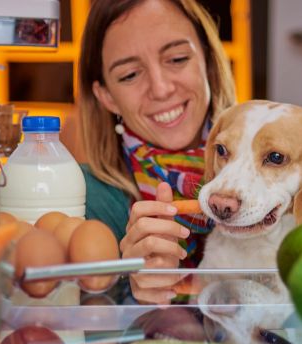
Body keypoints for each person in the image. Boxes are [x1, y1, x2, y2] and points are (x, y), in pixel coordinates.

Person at [76, 0, 236, 302]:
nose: (161, 89)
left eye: (176, 58)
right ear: (107, 96)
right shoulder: (86, 199)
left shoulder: (275, 164)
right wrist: (129, 289)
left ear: (208, 60)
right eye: (129, 75)